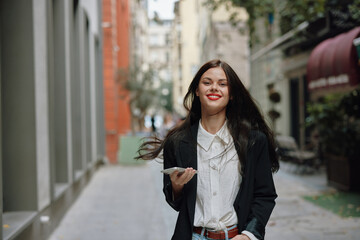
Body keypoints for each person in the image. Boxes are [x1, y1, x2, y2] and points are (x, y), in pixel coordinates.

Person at [136, 59, 279, 240]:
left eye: (222, 84)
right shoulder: (178, 142)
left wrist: (248, 235)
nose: (214, 88)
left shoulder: (253, 141)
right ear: (197, 90)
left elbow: (265, 195)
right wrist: (177, 186)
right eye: (207, 82)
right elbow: (176, 203)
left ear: (231, 93)